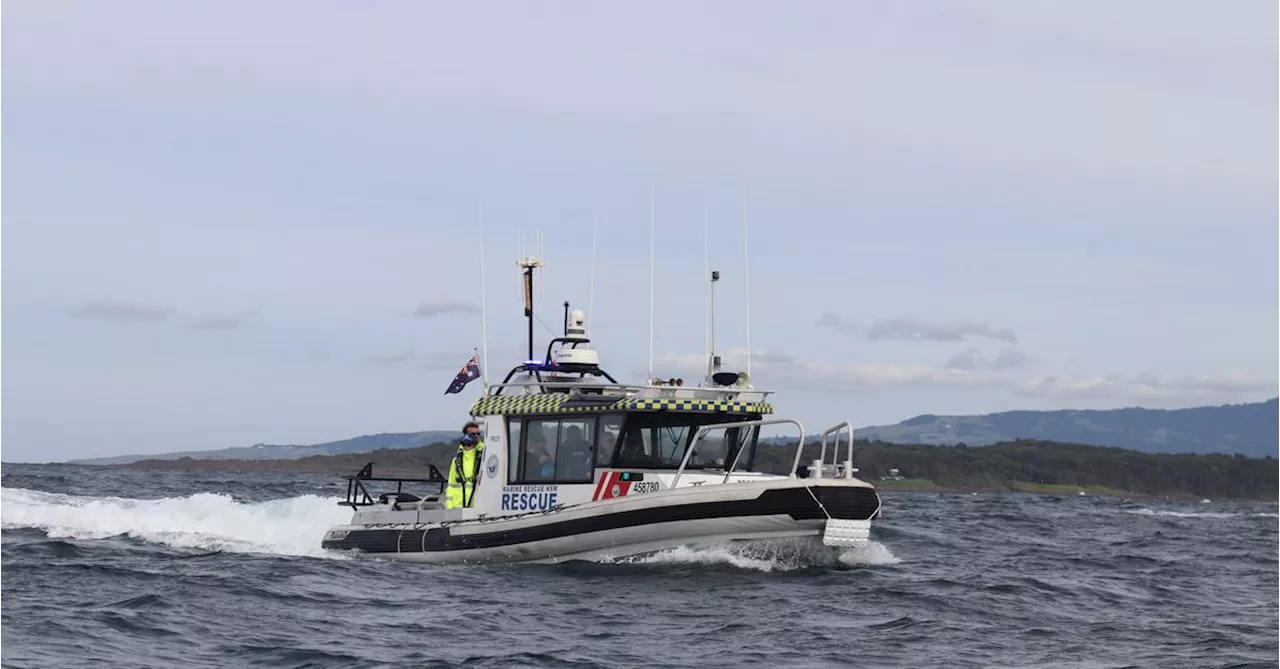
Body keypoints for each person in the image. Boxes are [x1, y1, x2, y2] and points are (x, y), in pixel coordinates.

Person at [445, 421, 485, 509]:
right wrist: (449, 505)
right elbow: (451, 484)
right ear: (466, 435)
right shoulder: (457, 460)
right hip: (458, 506)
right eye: (473, 434)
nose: (477, 436)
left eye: (478, 434)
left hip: (476, 506)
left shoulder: (484, 454)